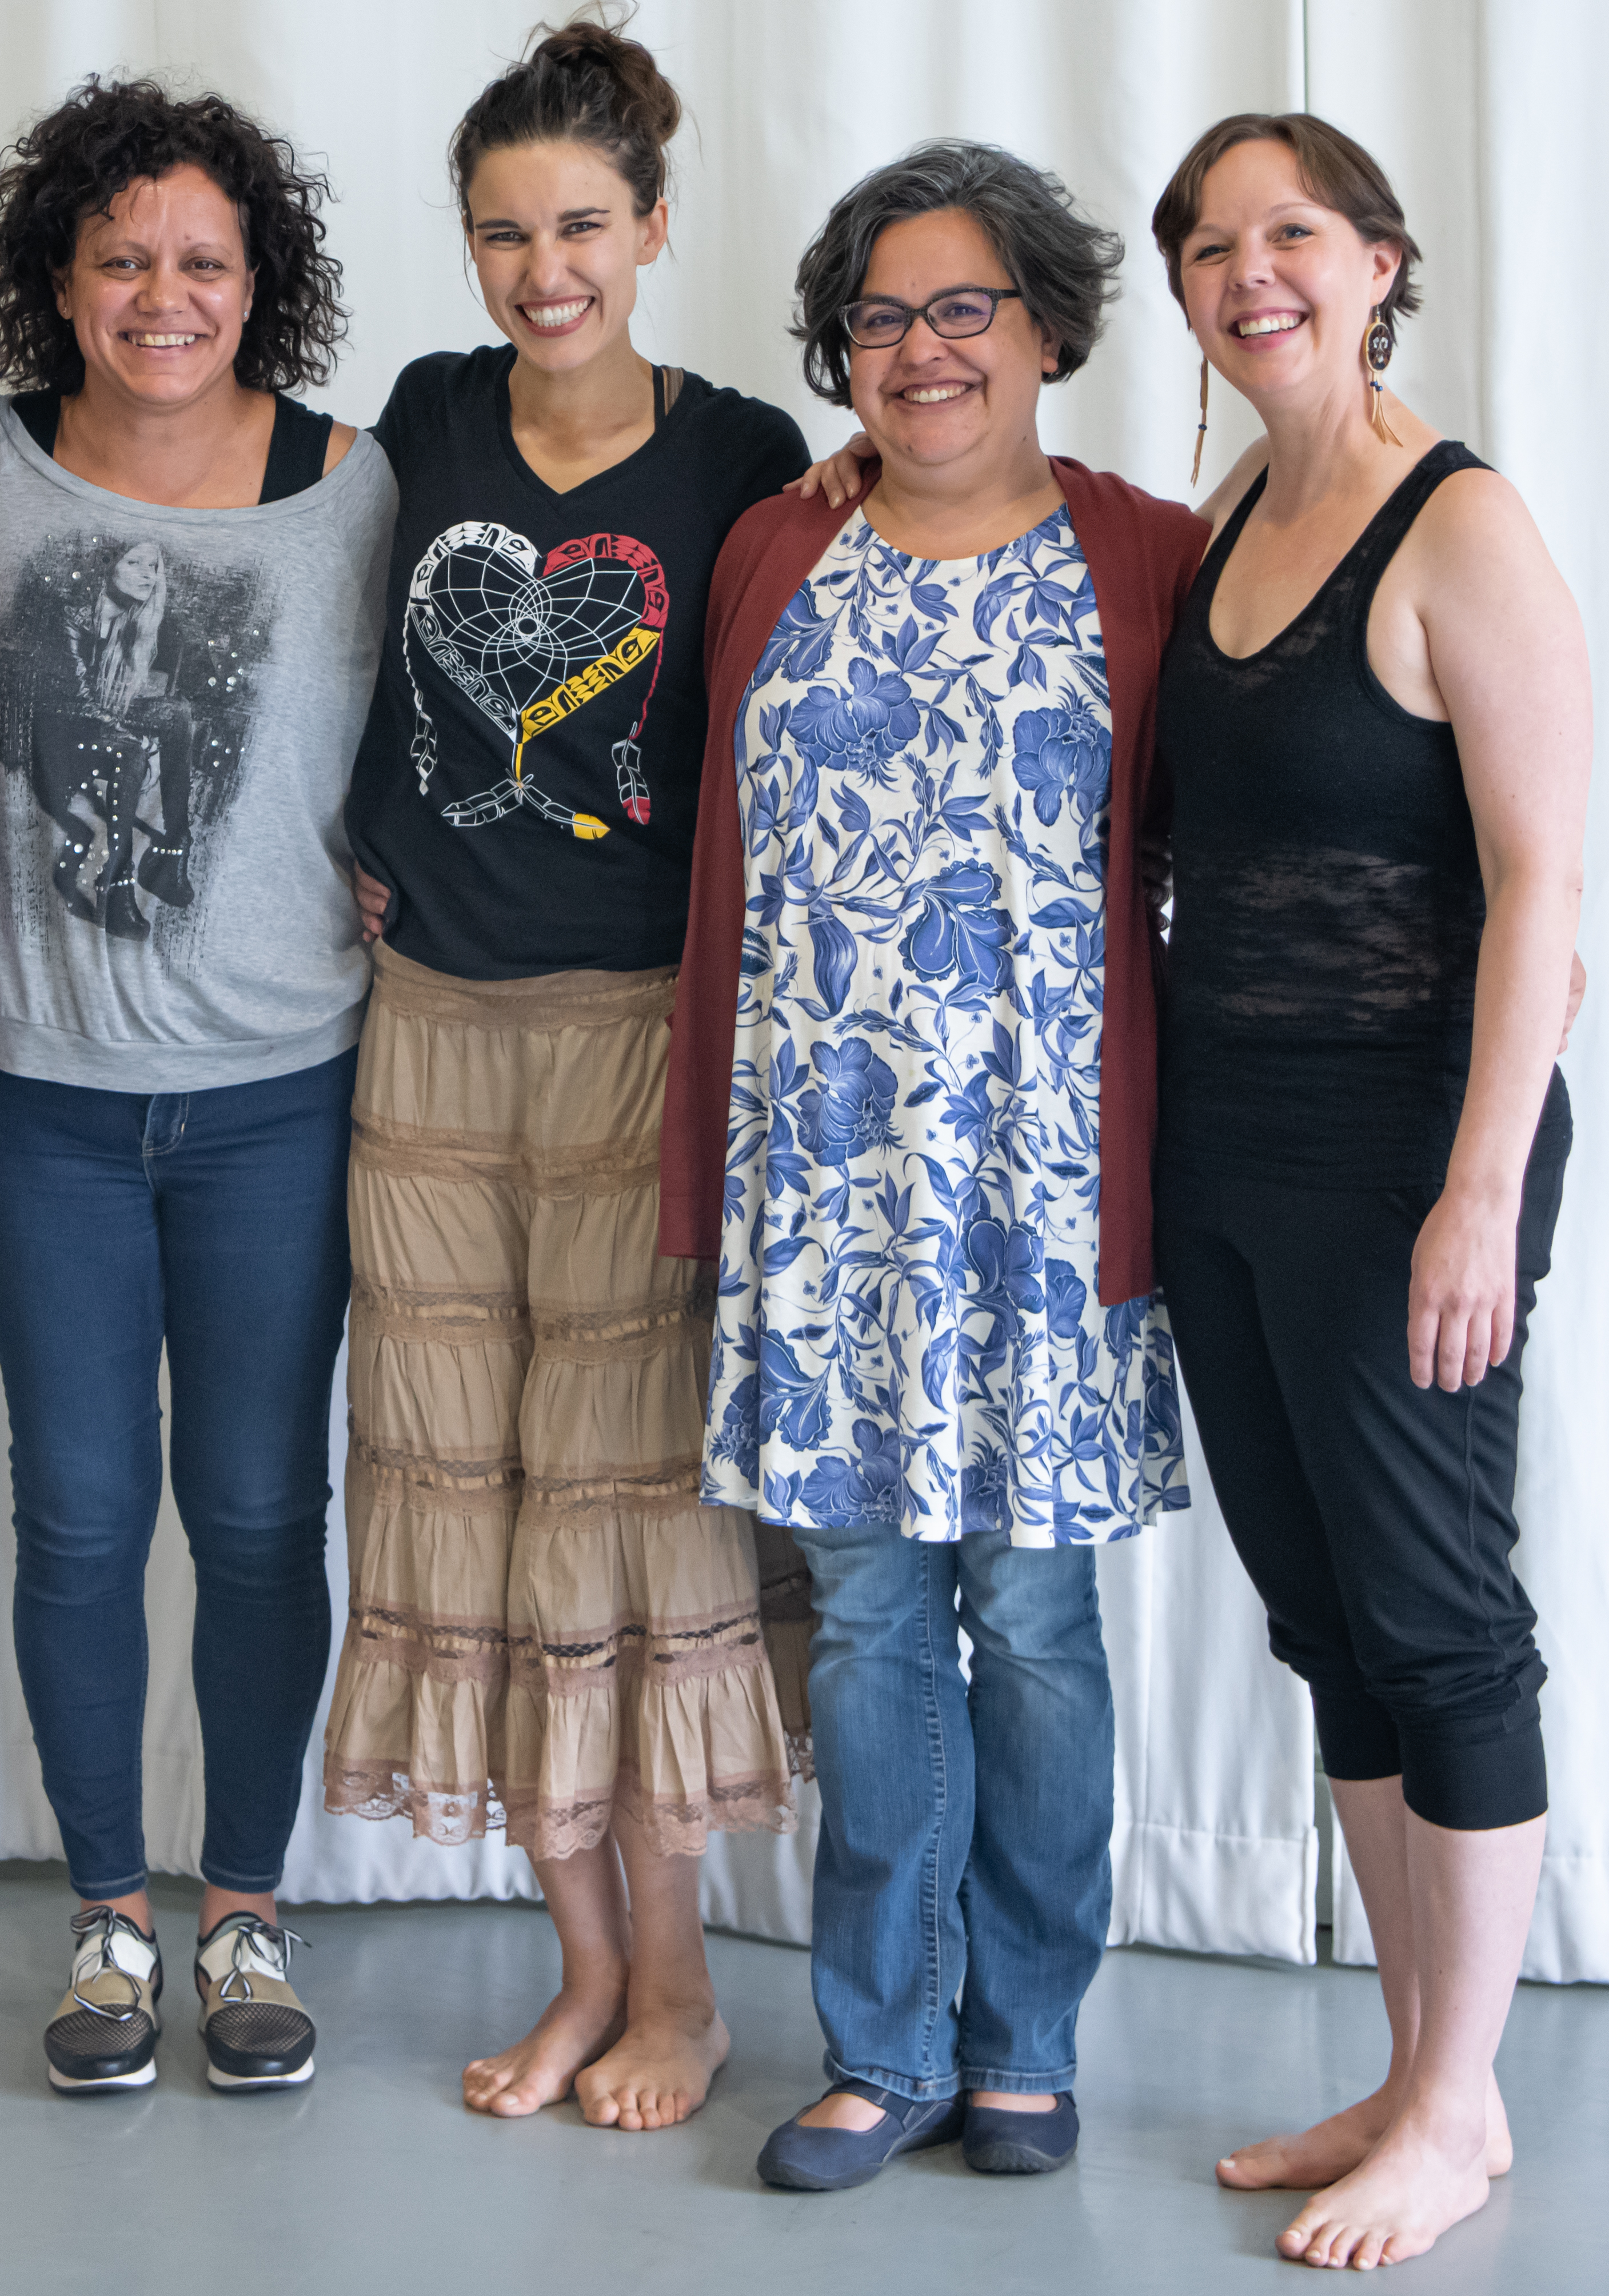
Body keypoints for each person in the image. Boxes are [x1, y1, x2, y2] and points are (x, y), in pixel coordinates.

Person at [658, 141, 1208, 2189]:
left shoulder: (1151, 558)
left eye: (965, 305)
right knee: (877, 1629)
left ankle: (1029, 2035)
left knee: (1041, 1632)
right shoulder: (773, 555)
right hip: (823, 1203)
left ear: (1050, 326)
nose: (923, 348)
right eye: (882, 316)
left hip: (1053, 1207)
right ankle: (880, 2042)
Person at [330, 17, 812, 2134]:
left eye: (584, 225)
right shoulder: (423, 415)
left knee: (629, 1531)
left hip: (637, 1044)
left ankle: (683, 1996)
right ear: (467, 241)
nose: (546, 266)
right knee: (463, 1511)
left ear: (654, 228)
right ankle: (583, 1975)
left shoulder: (742, 452)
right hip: (425, 1035)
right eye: (507, 229)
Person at [0, 75, 392, 2094]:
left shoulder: (361, 482)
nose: (162, 294)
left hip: (287, 1089)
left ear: (258, 281)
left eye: (202, 259)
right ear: (59, 278)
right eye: (122, 258)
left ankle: (248, 1912)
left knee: (267, 1516)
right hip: (43, 1099)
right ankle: (112, 1915)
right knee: (85, 1517)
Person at [1148, 113, 1588, 2272]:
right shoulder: (1237, 500)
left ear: (1382, 257)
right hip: (1227, 1143)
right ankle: (1426, 2076)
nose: (1254, 276)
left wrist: (1478, 1191)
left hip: (1412, 1154)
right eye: (1212, 248)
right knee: (1329, 1624)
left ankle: (1460, 2099)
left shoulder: (1460, 520)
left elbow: (1548, 890)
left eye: (1292, 234)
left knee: (1443, 1623)